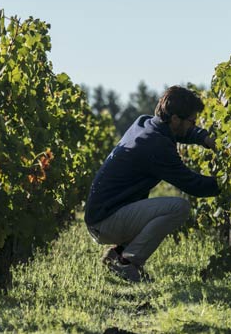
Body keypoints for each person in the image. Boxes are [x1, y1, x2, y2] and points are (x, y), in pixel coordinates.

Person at [84, 85, 219, 282]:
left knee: (160, 208)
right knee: (178, 207)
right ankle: (127, 263)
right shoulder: (156, 145)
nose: (194, 124)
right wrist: (227, 183)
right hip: (105, 221)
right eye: (192, 121)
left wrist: (204, 138)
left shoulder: (145, 123)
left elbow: (182, 133)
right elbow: (193, 185)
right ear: (175, 119)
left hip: (102, 214)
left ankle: (117, 254)